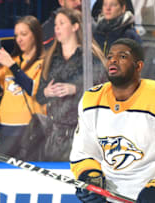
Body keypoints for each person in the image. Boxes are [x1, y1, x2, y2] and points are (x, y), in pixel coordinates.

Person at [70, 38, 155, 203]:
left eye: (122, 56)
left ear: (138, 66)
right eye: (110, 56)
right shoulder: (91, 100)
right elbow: (83, 153)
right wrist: (90, 176)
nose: (113, 60)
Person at [36, 8, 108, 161]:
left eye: (62, 23)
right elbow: (39, 96)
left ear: (75, 27)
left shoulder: (90, 59)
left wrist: (76, 89)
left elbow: (104, 92)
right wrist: (47, 92)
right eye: (56, 24)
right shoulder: (51, 59)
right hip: (54, 136)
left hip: (82, 134)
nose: (57, 28)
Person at [0, 16, 46, 157]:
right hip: (4, 128)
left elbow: (34, 90)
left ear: (36, 35)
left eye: (24, 34)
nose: (19, 39)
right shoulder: (11, 61)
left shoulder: (45, 62)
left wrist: (13, 67)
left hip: (30, 130)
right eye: (16, 35)